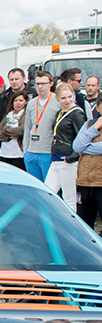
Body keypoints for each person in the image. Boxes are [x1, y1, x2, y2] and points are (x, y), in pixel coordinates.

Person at [46, 83, 86, 211]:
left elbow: (83, 137)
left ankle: (72, 226)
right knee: (48, 192)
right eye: (63, 98)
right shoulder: (60, 112)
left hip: (67, 159)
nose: (67, 100)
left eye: (70, 96)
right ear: (57, 98)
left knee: (69, 197)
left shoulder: (77, 113)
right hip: (56, 158)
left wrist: (72, 157)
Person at [23, 71, 61, 181]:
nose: (40, 87)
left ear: (51, 83)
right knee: (34, 185)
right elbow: (27, 127)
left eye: (43, 83)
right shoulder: (31, 102)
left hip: (48, 152)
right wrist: (26, 151)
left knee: (49, 186)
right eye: (37, 83)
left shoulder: (57, 101)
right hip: (31, 151)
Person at [73, 98, 102, 229]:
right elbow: (77, 146)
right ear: (97, 107)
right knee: (84, 223)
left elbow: (82, 147)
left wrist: (85, 147)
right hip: (84, 180)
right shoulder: (89, 124)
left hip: (100, 182)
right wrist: (95, 127)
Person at [0, 90, 28, 170]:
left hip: (19, 153)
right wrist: (8, 137)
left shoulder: (26, 115)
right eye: (15, 100)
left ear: (26, 102)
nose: (18, 103)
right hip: (5, 152)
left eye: (21, 100)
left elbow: (21, 130)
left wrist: (5, 129)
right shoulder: (8, 115)